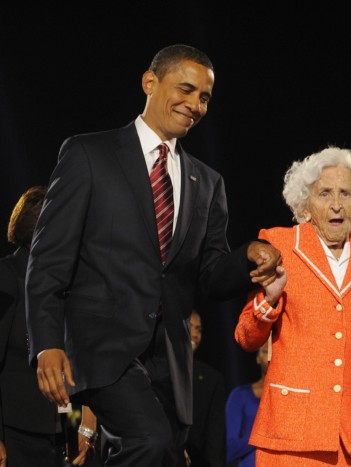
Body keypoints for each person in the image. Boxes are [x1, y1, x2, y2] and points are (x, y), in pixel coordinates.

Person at [25, 44, 282, 467]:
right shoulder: (88, 155)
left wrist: (248, 256)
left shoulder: (208, 182)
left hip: (171, 359)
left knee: (162, 452)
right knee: (149, 440)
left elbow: (212, 274)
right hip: (103, 348)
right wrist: (47, 344)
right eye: (186, 89)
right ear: (150, 82)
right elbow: (48, 261)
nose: (195, 104)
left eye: (204, 97)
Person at [234, 146, 351, 466]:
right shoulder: (279, 245)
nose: (336, 204)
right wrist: (269, 299)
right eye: (324, 193)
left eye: (345, 193)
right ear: (305, 206)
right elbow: (246, 337)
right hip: (291, 438)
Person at [0, 186, 98, 467]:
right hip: (15, 434)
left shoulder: (69, 286)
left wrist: (81, 425)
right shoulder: (6, 277)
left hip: (62, 431)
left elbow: (69, 371)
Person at [186, 310, 225, 467]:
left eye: (199, 329)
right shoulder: (156, 371)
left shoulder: (212, 379)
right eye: (190, 327)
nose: (195, 334)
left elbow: (214, 437)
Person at [225, 337, 269, 467]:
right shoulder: (240, 395)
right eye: (266, 351)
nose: (271, 357)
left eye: (275, 352)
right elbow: (230, 447)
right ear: (258, 358)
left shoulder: (292, 398)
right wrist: (261, 435)